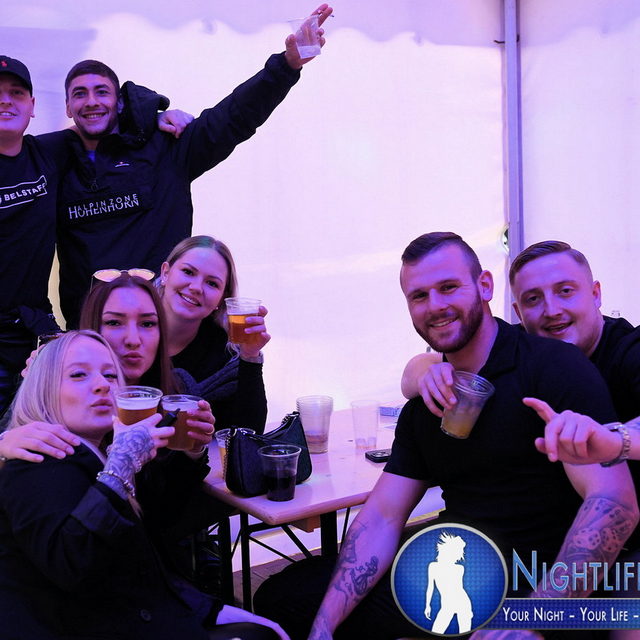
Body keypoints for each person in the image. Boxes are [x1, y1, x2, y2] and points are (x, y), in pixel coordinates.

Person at [253, 232, 638, 640]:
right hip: (460, 564)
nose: (435, 305)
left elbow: (613, 502)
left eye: (449, 287)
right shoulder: (428, 394)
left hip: (543, 583)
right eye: (419, 296)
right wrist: (324, 626)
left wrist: (532, 620)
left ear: (484, 286)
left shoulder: (557, 365)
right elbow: (383, 515)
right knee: (286, 598)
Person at [38, 4, 332, 328]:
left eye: (101, 92)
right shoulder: (49, 162)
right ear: (68, 107)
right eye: (80, 94)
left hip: (164, 331)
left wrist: (287, 65)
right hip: (91, 333)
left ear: (119, 103)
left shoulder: (166, 148)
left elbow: (231, 119)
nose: (92, 101)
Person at [0, 330, 288, 639]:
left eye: (111, 375)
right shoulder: (39, 461)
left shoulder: (95, 454)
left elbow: (147, 552)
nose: (102, 385)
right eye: (78, 375)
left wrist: (212, 610)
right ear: (43, 389)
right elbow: (72, 564)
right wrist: (121, 465)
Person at [0, 56, 66, 414]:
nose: (6, 101)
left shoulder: (47, 154)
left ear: (32, 105)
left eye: (16, 93)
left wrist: (161, 115)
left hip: (35, 334)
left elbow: (102, 122)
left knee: (44, 436)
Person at [158, 235, 270, 383]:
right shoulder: (130, 325)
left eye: (212, 283)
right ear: (165, 273)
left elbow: (248, 399)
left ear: (223, 297)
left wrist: (250, 356)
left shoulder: (227, 353)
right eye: (188, 272)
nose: (196, 287)